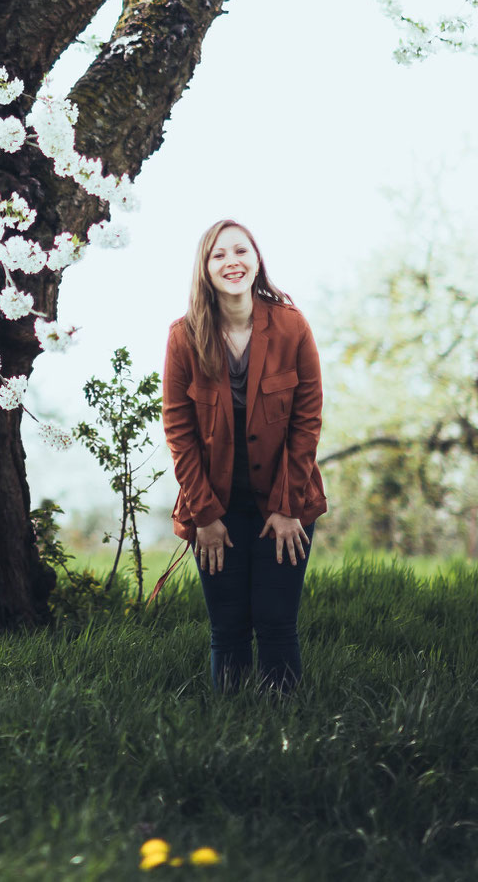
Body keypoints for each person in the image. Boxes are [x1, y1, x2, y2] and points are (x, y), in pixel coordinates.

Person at [162, 218, 327, 694]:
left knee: (277, 625)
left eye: (241, 251)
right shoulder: (183, 337)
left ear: (256, 260)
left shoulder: (292, 327)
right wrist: (205, 516)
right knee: (228, 629)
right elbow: (180, 432)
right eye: (218, 254)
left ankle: (283, 734)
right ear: (205, 268)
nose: (231, 261)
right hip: (214, 507)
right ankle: (229, 734)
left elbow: (306, 423)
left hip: (285, 504)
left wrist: (286, 507)